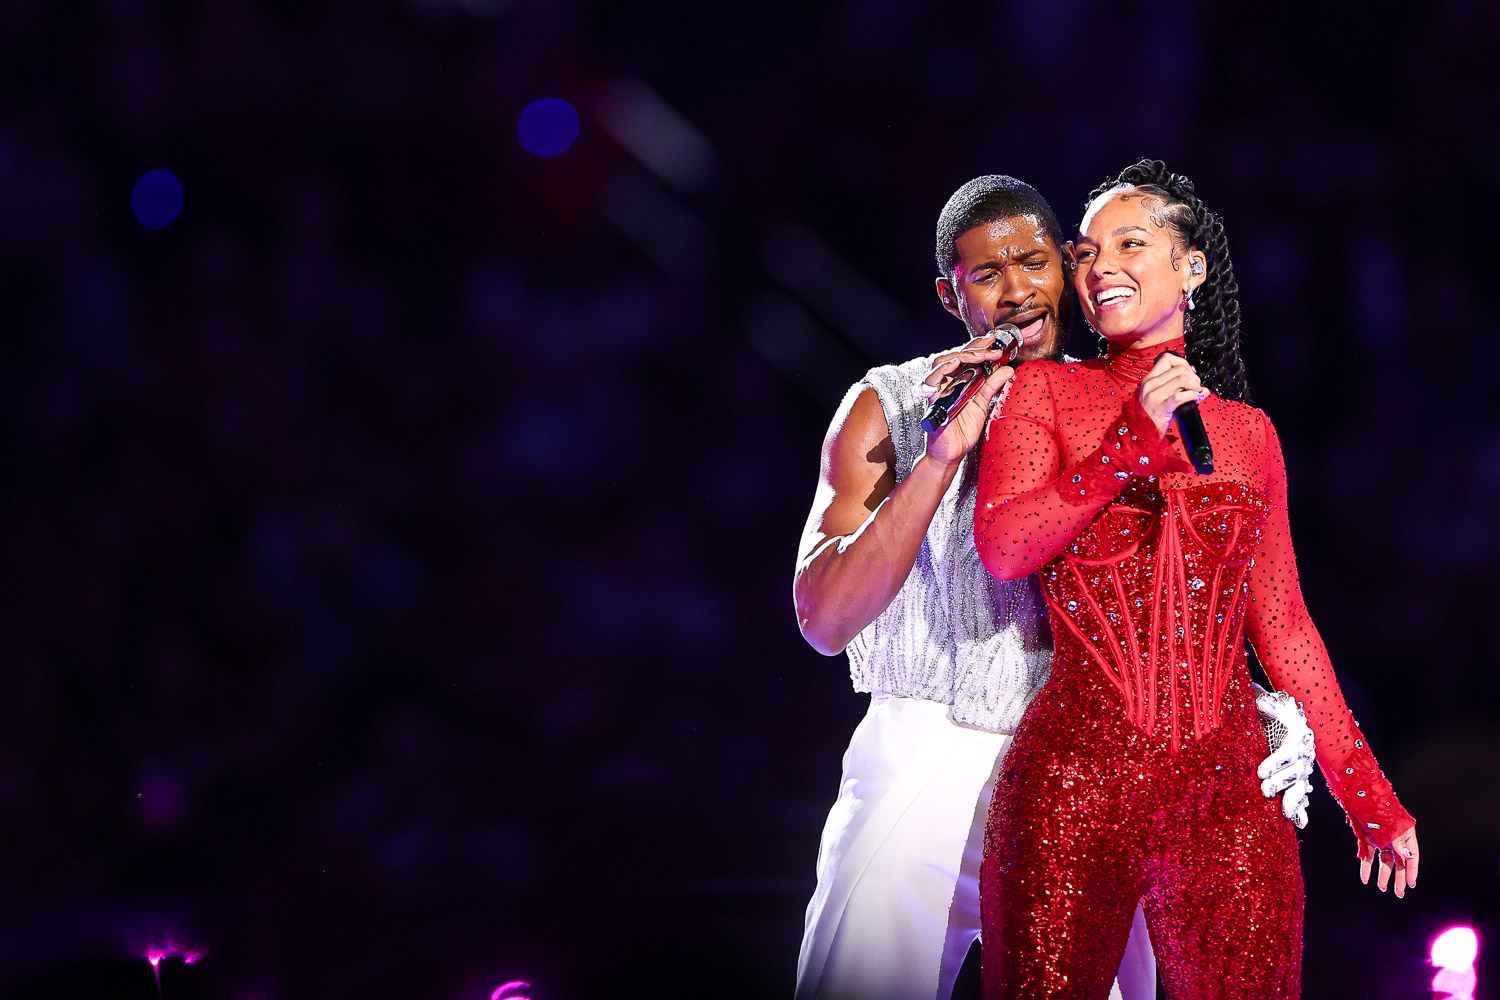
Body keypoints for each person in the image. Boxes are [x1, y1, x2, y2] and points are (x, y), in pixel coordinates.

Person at [791, 175, 1315, 1000]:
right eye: (987, 275)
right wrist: (939, 455)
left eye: (1037, 263)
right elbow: (822, 618)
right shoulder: (891, 401)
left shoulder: (1113, 400)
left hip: (1089, 769)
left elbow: (1184, 599)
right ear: (948, 292)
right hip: (928, 747)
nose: (1018, 293)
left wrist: (1258, 706)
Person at [973, 159, 1419, 999]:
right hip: (1076, 784)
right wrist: (1124, 455)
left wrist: (1366, 791)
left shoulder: (1246, 435)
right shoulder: (1045, 392)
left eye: (1130, 244)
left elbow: (1283, 626)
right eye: (1085, 251)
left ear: (1191, 267)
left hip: (1229, 796)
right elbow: (1004, 546)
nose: (1100, 266)